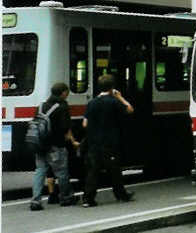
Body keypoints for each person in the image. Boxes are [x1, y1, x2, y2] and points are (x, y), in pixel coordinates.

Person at [82, 74, 135, 207]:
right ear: (112, 88)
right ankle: (121, 194)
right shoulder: (113, 102)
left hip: (94, 142)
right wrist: (120, 97)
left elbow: (84, 124)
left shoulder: (92, 103)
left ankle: (88, 199)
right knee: (115, 170)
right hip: (110, 142)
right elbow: (130, 109)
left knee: (93, 171)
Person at [30, 82, 80, 210]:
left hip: (40, 144)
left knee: (40, 171)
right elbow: (65, 127)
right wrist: (72, 140)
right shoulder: (62, 106)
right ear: (63, 92)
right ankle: (66, 197)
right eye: (67, 92)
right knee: (62, 172)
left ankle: (35, 201)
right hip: (56, 145)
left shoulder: (41, 106)